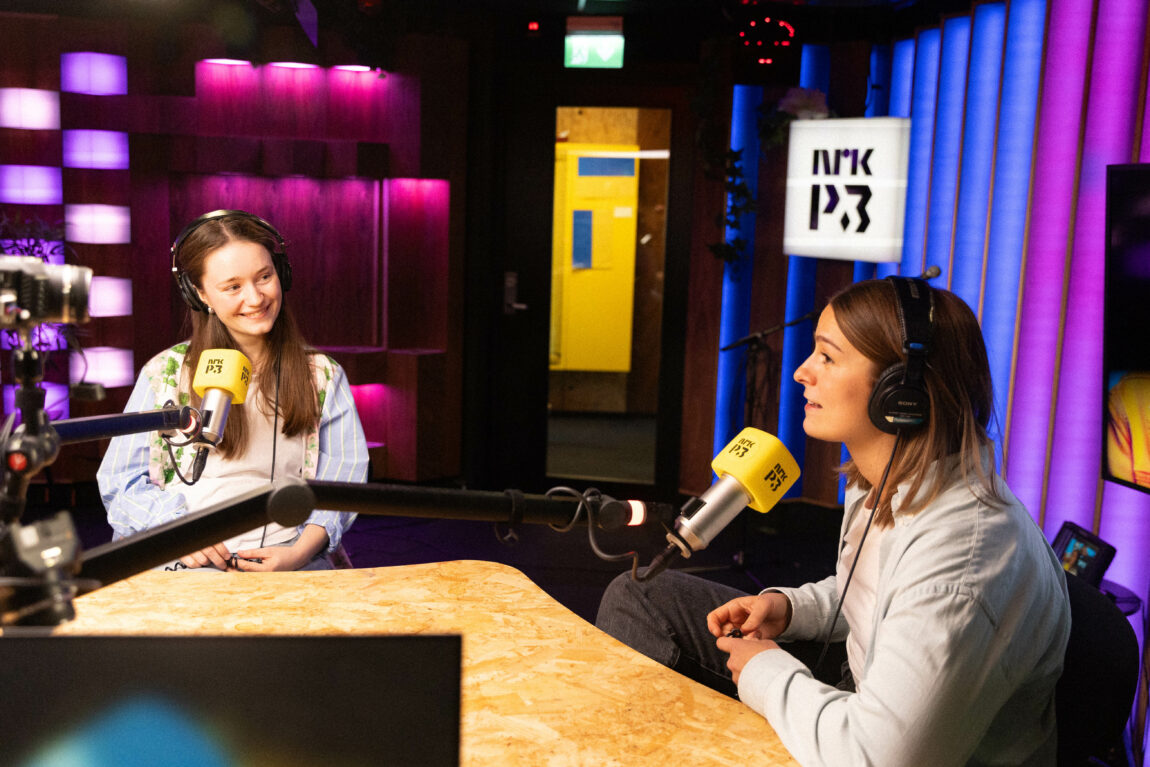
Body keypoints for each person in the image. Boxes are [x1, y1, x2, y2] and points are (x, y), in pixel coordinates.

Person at [596, 277, 1071, 766]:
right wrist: (792, 608)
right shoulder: (882, 481)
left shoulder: (964, 559)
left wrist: (767, 672)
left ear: (901, 393)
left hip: (879, 746)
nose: (802, 372)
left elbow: (878, 757)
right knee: (640, 597)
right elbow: (881, 598)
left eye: (827, 356)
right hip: (862, 696)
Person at [97, 210, 369, 571]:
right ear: (200, 294)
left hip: (292, 559)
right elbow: (120, 482)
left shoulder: (322, 375)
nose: (255, 298)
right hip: (185, 557)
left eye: (265, 277)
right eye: (232, 287)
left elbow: (342, 482)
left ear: (282, 274)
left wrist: (300, 552)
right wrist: (179, 532)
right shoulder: (163, 373)